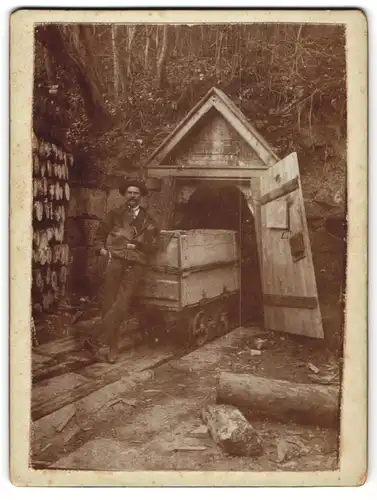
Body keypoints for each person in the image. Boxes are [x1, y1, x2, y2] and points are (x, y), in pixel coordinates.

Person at [84, 177, 160, 363]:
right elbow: (99, 236)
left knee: (122, 304)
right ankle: (112, 347)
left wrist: (138, 246)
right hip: (115, 261)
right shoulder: (114, 214)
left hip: (136, 264)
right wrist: (103, 251)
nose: (133, 196)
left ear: (141, 197)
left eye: (136, 193)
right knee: (108, 304)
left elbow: (155, 245)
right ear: (125, 195)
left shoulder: (149, 219)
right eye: (130, 193)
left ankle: (94, 337)